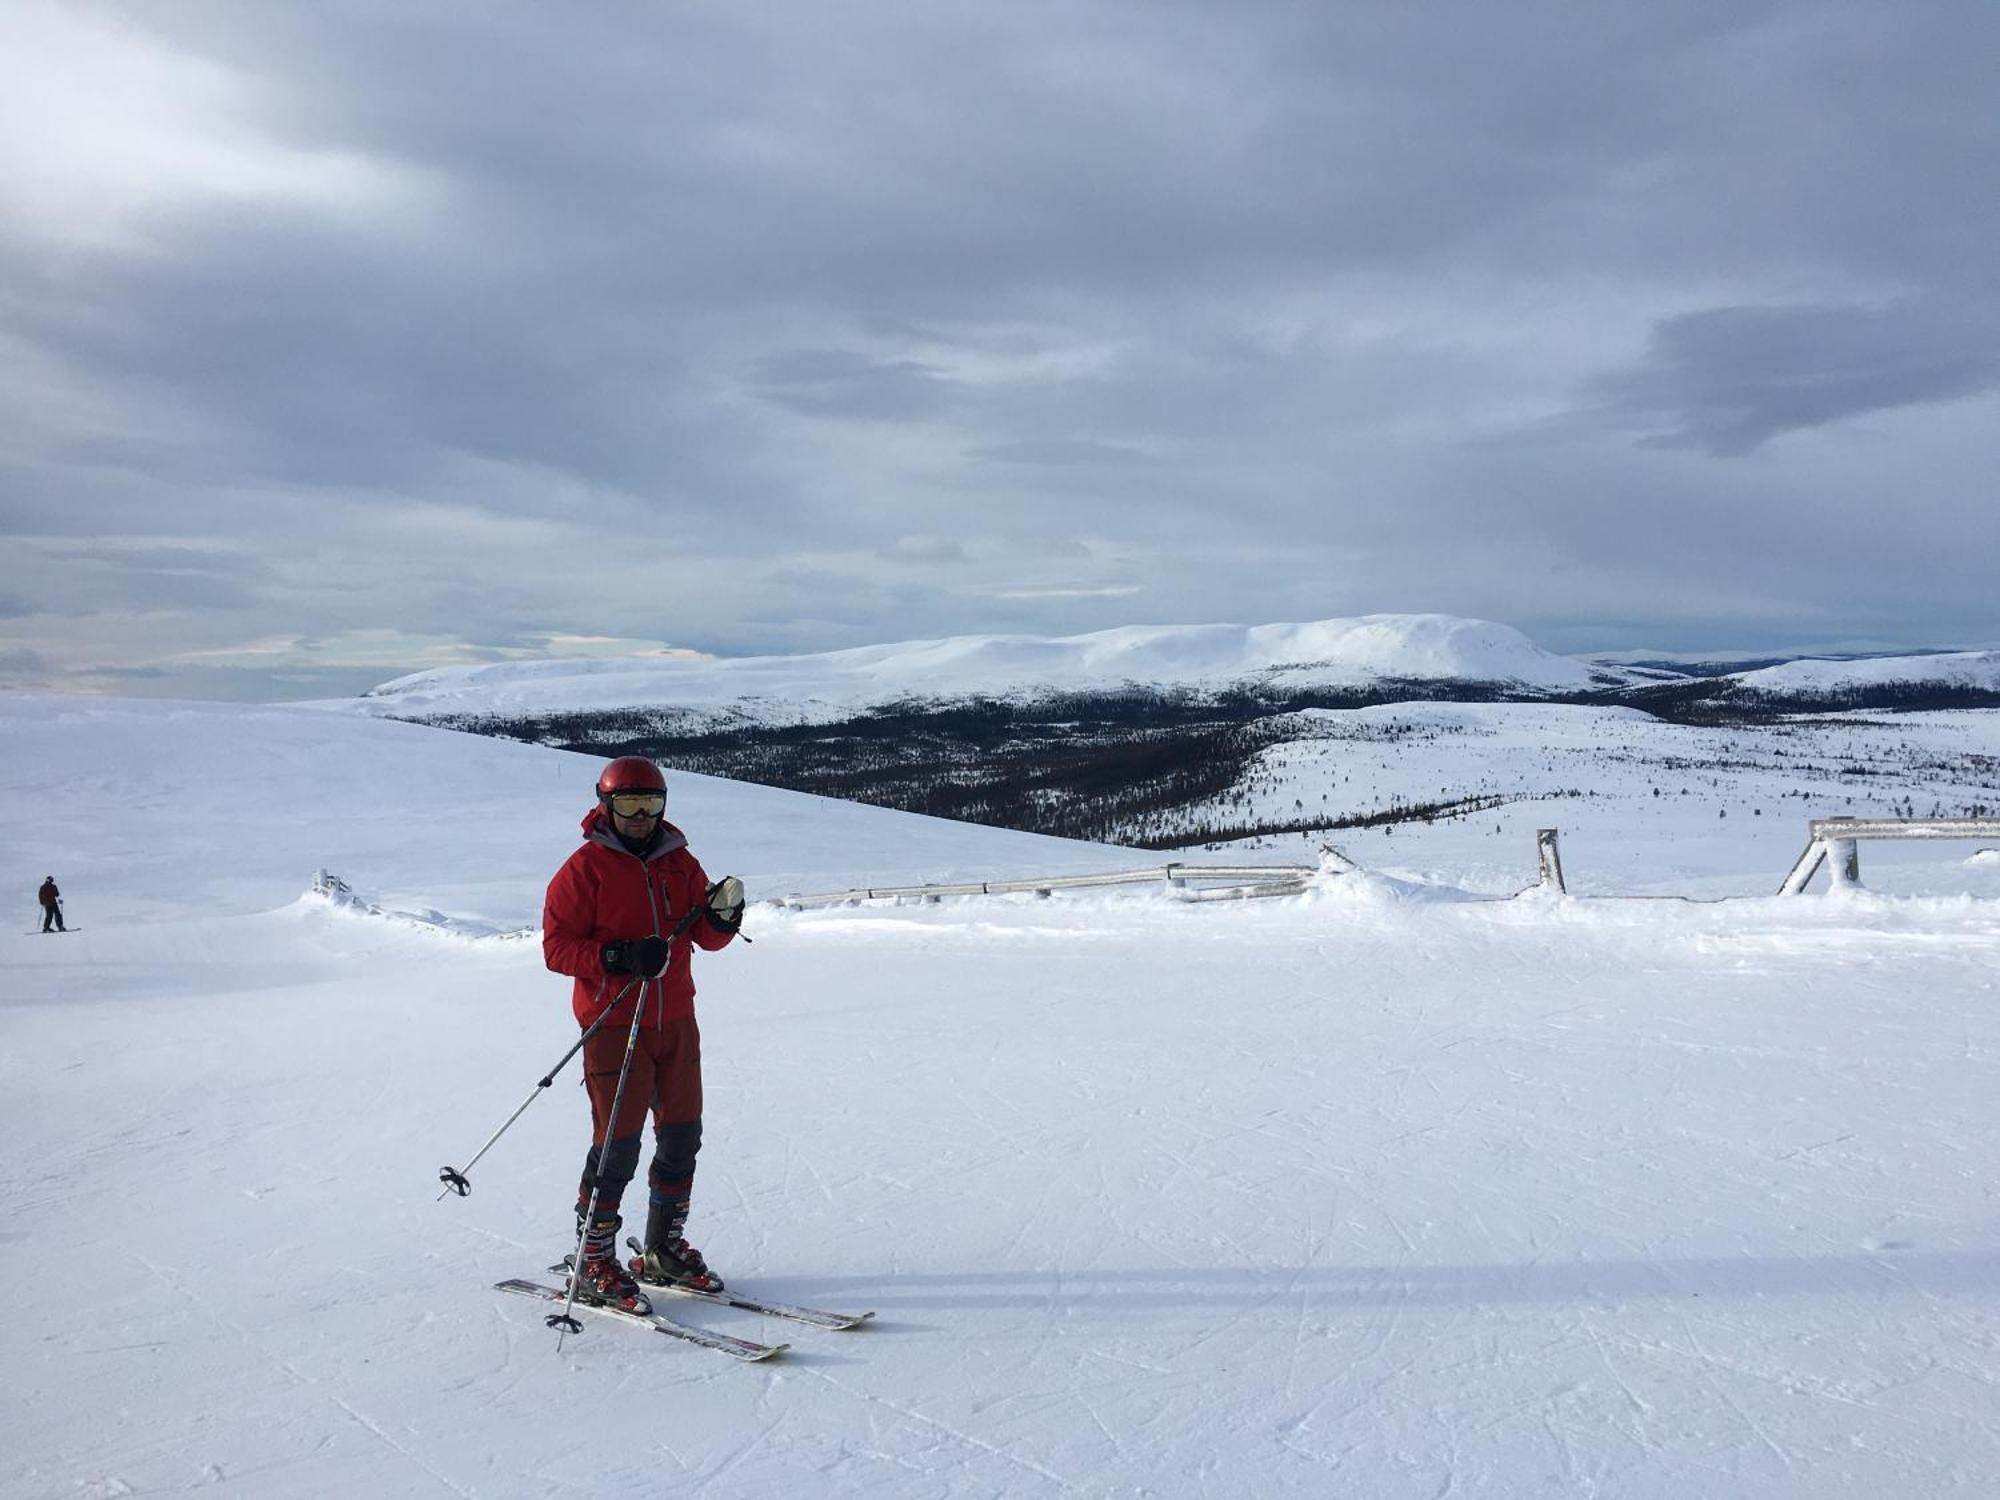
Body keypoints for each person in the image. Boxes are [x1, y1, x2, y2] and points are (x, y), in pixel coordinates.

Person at [541, 756, 745, 1313]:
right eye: (627, 804)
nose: (638, 816)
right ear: (604, 806)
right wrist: (617, 955)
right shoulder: (584, 870)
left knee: (682, 1136)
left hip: (674, 1019)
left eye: (649, 805)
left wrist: (723, 920)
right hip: (614, 1024)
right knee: (618, 1144)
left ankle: (662, 1248)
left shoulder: (680, 862)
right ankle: (594, 1256)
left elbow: (704, 936)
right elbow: (556, 949)